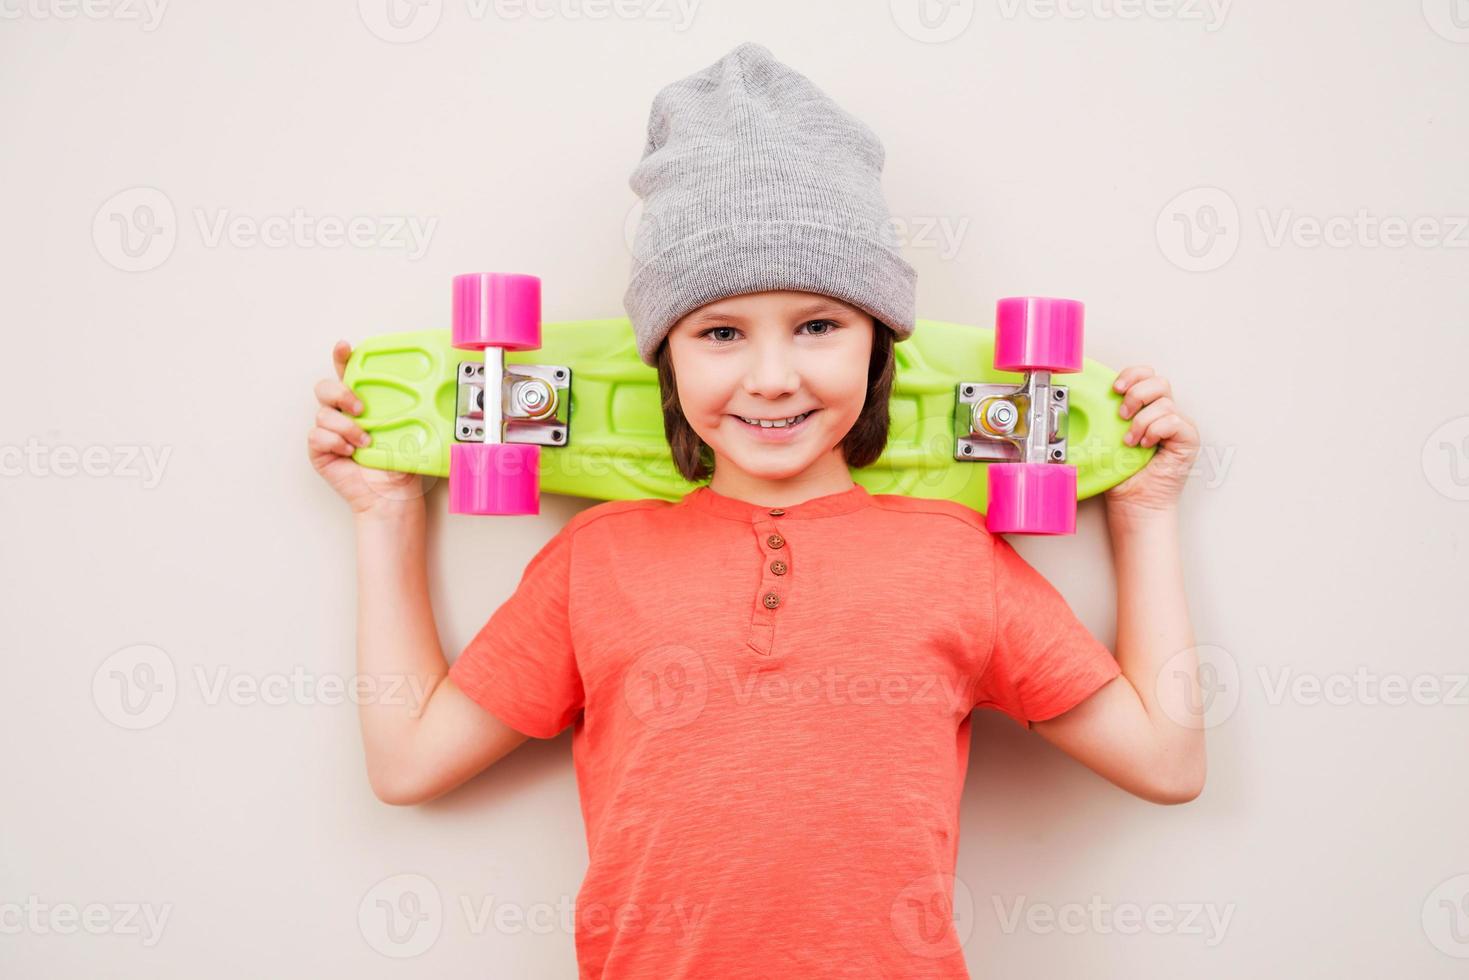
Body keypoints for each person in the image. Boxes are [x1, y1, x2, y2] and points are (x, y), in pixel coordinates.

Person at [307, 41, 1204, 980]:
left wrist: (1144, 512)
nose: (772, 378)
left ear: (876, 347)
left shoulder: (956, 561)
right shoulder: (595, 561)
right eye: (721, 333)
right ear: (666, 359)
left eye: (818, 325)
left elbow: (1167, 761)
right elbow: (406, 761)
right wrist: (384, 516)